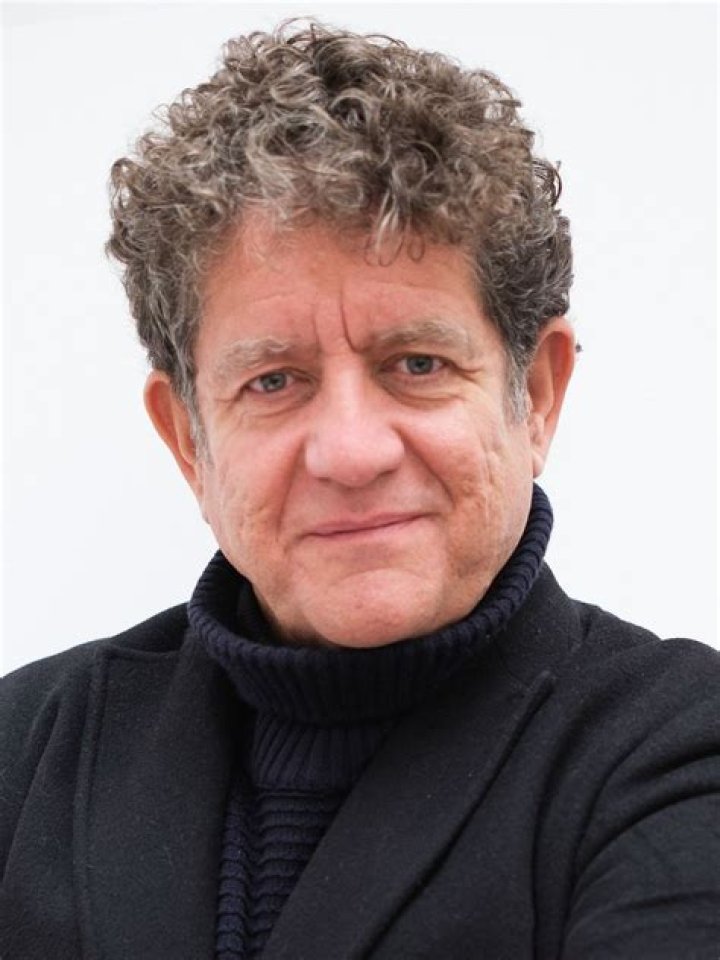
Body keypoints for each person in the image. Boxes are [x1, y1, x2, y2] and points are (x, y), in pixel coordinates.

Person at [1, 20, 718, 960]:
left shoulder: (681, 754)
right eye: (273, 381)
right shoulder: (24, 753)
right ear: (188, 441)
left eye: (416, 363)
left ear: (536, 395)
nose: (350, 452)